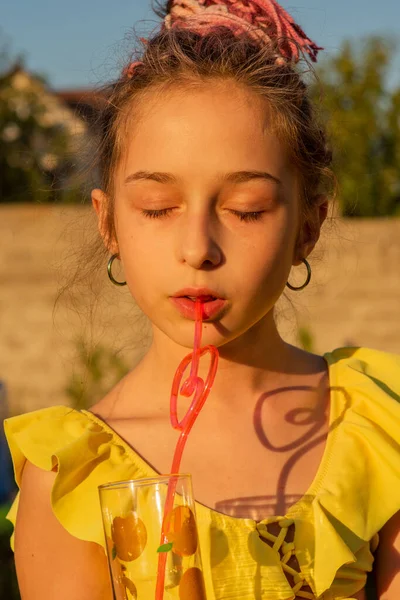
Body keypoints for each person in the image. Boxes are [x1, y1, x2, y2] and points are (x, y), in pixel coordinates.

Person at [4, 1, 400, 599]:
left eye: (246, 210)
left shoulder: (378, 428)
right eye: (158, 209)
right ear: (108, 224)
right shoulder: (74, 477)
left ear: (308, 226)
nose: (197, 249)